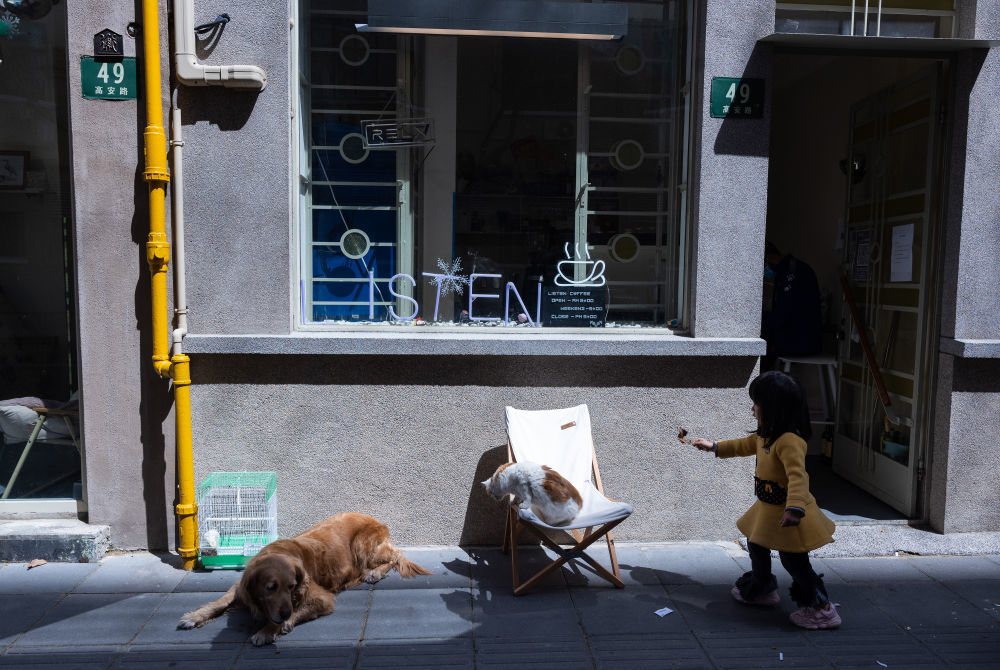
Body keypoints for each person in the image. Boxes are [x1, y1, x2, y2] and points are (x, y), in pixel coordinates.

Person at [689, 370, 841, 630]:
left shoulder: (789, 441)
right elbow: (743, 445)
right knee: (756, 544)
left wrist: (794, 509)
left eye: (756, 404)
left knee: (794, 561)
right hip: (768, 510)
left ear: (773, 409)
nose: (753, 409)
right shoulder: (765, 436)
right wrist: (714, 446)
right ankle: (762, 588)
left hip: (789, 514)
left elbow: (798, 477)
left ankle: (821, 608)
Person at [761, 241, 822, 371]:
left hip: (798, 340)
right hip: (804, 337)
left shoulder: (791, 274)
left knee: (759, 351)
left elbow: (783, 313)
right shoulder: (792, 268)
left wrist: (759, 327)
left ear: (768, 258)